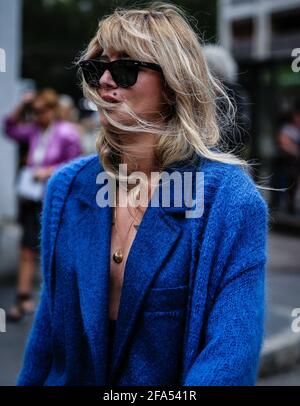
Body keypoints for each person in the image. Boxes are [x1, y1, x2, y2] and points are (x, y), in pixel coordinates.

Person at [17, 3, 268, 386]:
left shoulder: (230, 201)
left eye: (124, 68)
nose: (103, 81)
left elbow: (229, 359)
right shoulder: (66, 187)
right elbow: (48, 338)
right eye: (94, 68)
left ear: (172, 85)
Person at [3, 88, 82, 322]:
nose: (36, 115)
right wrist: (22, 104)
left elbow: (76, 166)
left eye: (40, 111)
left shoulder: (67, 133)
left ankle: (57, 304)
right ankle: (23, 298)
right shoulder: (35, 131)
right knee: (26, 249)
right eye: (34, 111)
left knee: (54, 251)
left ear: (52, 109)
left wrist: (49, 171)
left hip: (53, 200)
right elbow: (8, 128)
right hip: (31, 197)